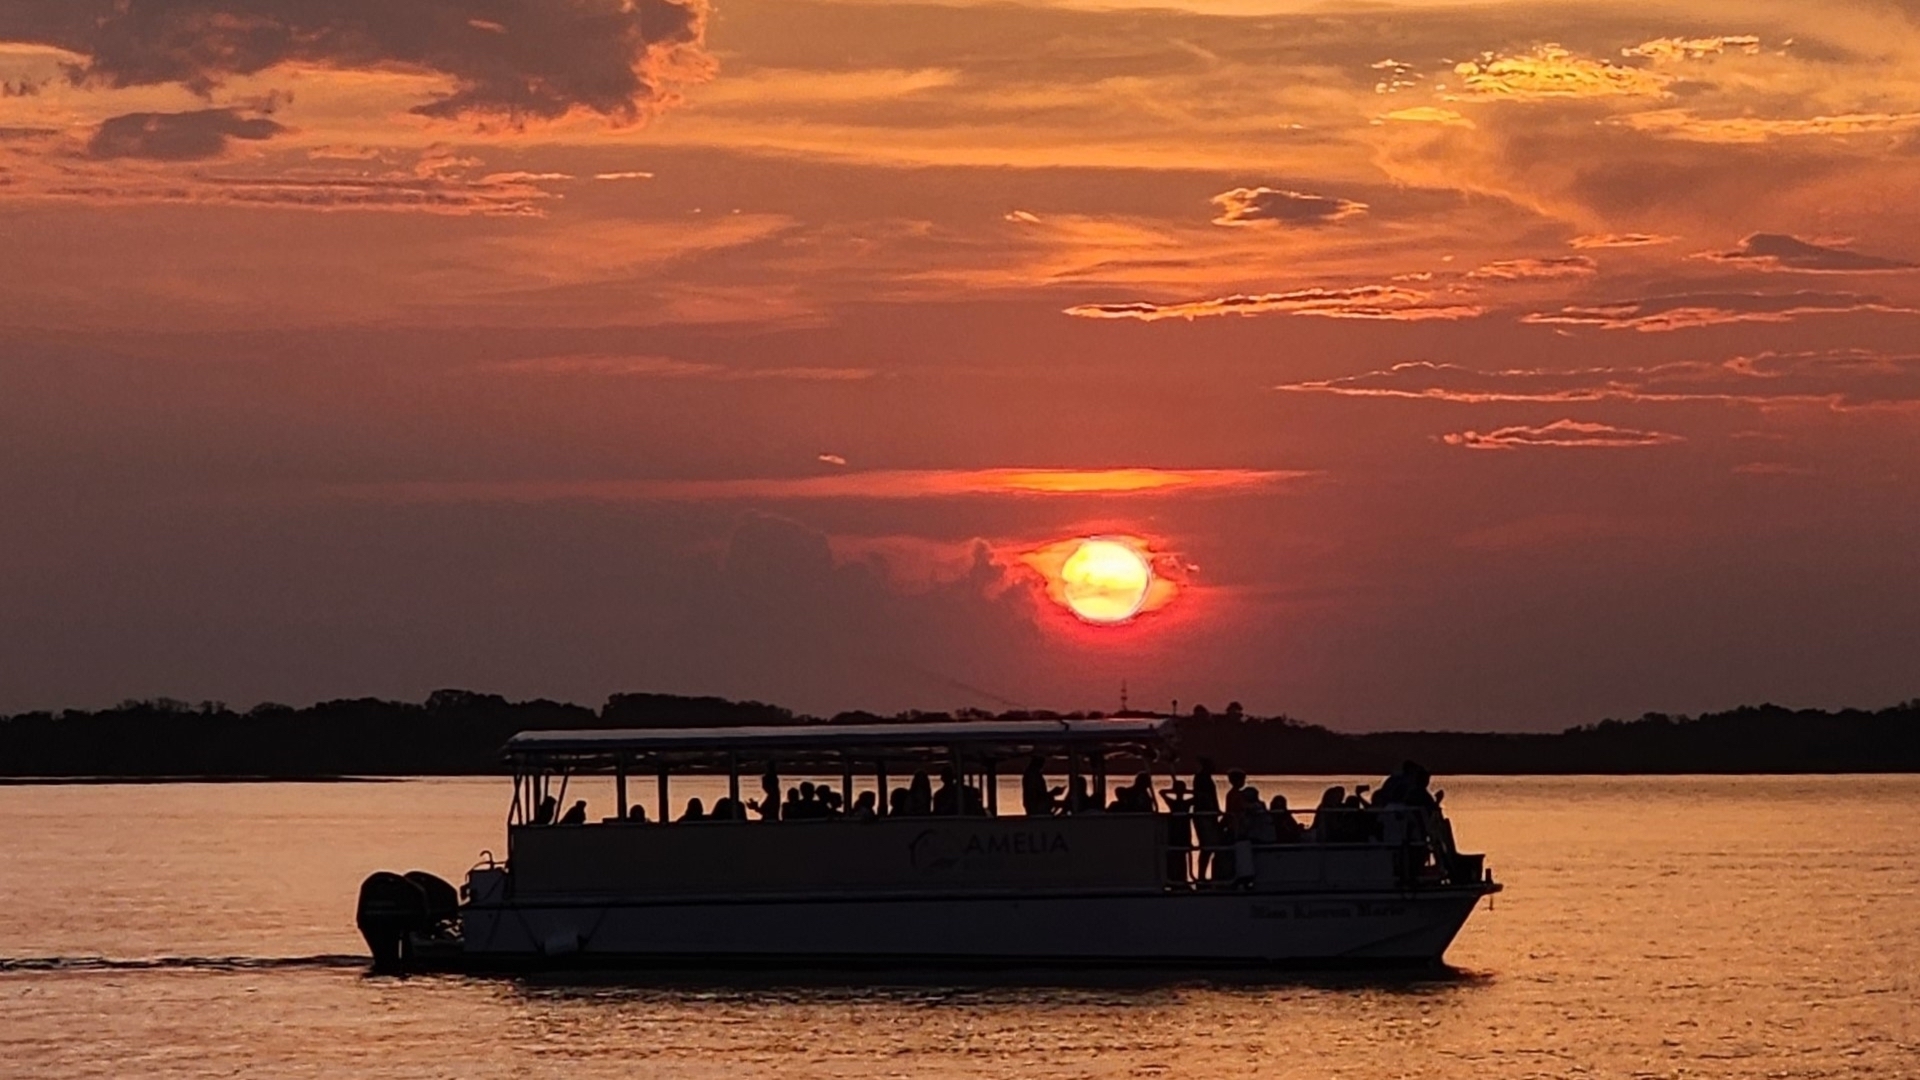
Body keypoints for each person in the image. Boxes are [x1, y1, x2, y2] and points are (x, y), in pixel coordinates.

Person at [1191, 758, 1222, 881]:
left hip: (1209, 815)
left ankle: (1203, 876)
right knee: (1207, 846)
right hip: (1205, 816)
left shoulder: (1204, 778)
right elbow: (1204, 797)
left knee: (1209, 846)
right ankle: (1201, 877)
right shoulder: (1201, 778)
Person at [1160, 778, 1194, 884]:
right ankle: (1177, 879)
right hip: (1176, 831)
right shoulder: (1174, 803)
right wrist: (1184, 791)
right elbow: (1161, 792)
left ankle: (1182, 879)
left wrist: (1183, 791)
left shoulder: (1185, 803)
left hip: (1183, 831)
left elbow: (1197, 795)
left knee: (1181, 855)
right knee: (1176, 856)